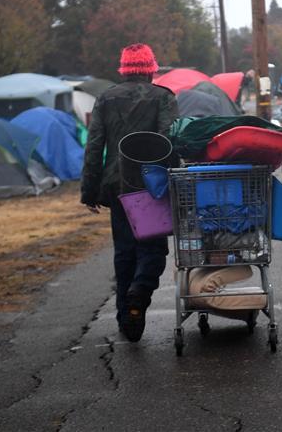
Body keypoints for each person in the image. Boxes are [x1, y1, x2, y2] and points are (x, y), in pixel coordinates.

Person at [81, 43, 179, 342]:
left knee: (124, 250)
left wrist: (90, 189)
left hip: (115, 184)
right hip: (151, 184)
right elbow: (169, 140)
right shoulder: (163, 97)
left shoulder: (105, 99)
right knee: (153, 249)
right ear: (151, 68)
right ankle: (140, 292)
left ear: (123, 70)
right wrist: (173, 178)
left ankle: (127, 317)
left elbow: (94, 144)